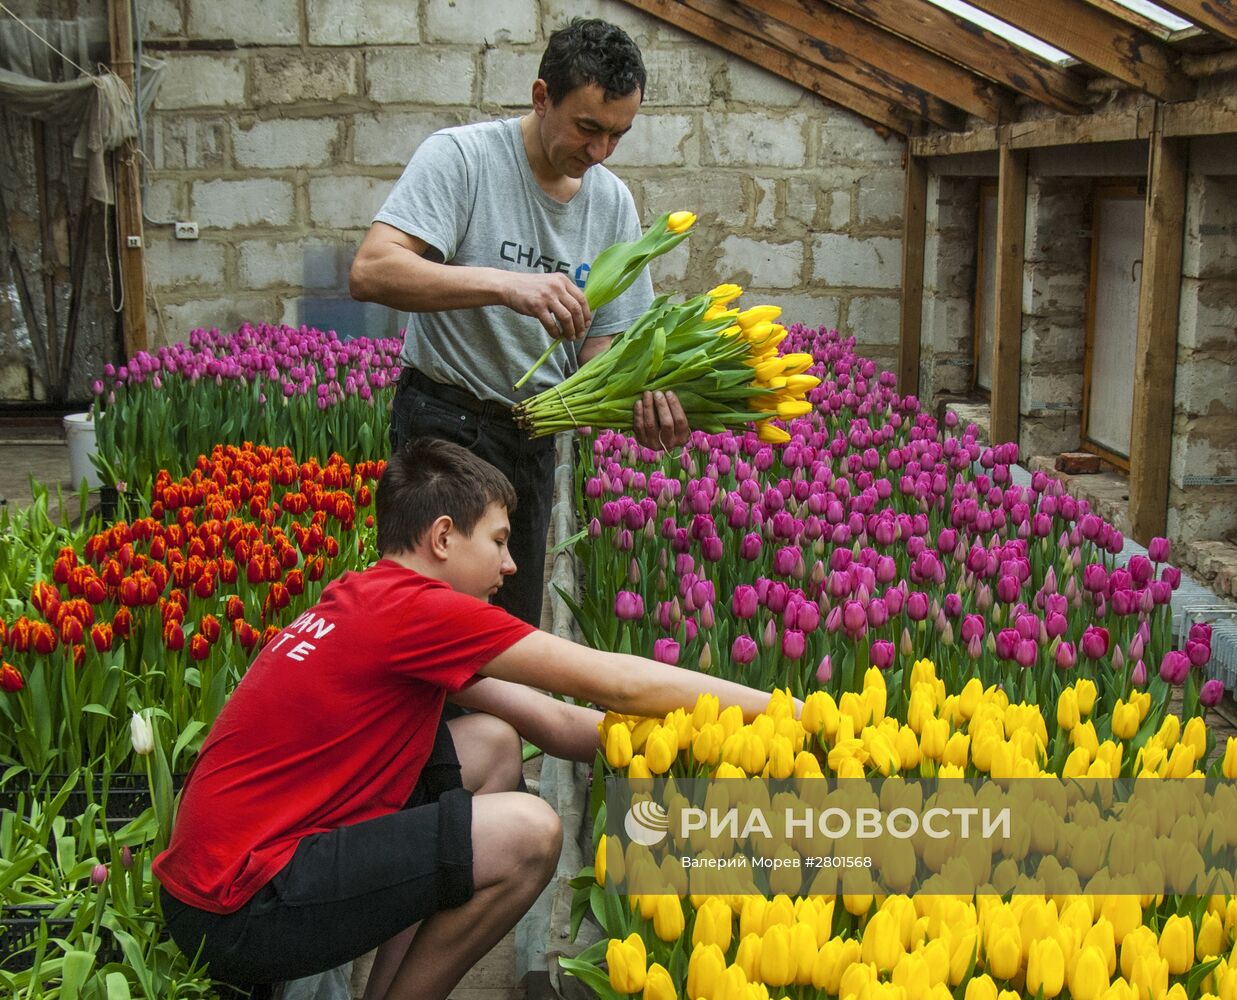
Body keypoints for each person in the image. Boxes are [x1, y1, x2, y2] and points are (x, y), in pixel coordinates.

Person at [153, 438, 783, 999]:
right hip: (236, 906)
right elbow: (615, 679)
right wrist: (794, 714)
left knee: (491, 746)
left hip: (218, 881)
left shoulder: (366, 596)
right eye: (500, 541)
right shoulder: (418, 613)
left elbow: (558, 726)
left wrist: (707, 743)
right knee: (530, 833)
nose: (510, 566)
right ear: (444, 537)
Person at [350, 17, 689, 629]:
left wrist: (637, 403)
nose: (600, 152)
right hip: (443, 428)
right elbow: (372, 270)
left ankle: (489, 731)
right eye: (588, 128)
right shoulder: (463, 158)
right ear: (541, 96)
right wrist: (506, 284)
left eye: (617, 135)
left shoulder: (610, 203)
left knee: (506, 638)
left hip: (533, 438)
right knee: (428, 633)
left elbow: (601, 350)